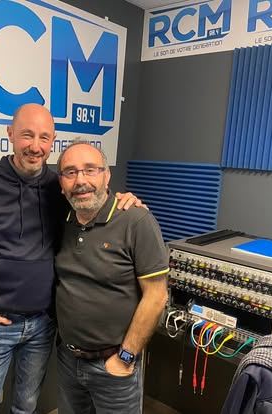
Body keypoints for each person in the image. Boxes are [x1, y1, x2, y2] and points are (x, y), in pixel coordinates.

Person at [0, 103, 142, 414]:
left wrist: (125, 199)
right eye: (27, 135)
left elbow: (92, 198)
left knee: (26, 406)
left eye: (44, 138)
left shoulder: (58, 187)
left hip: (42, 325)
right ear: (10, 134)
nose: (35, 146)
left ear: (53, 141)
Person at [55, 140, 169, 414]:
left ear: (107, 176)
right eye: (70, 172)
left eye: (90, 170)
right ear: (61, 183)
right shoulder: (61, 220)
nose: (81, 180)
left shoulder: (136, 221)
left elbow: (156, 296)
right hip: (68, 361)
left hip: (114, 366)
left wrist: (125, 357)